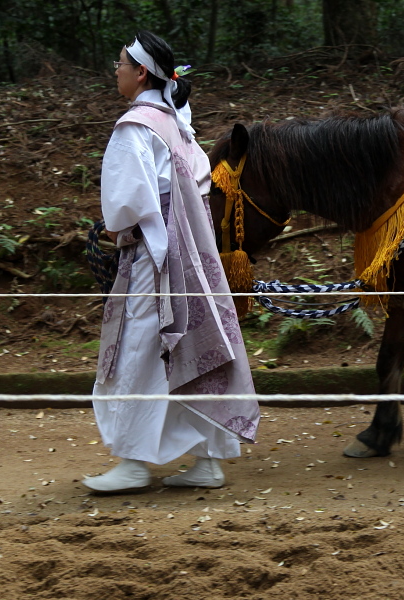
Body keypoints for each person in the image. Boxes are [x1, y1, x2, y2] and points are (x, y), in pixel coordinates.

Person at [83, 30, 260, 493]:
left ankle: (134, 462)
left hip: (152, 258)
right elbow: (199, 183)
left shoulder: (136, 128)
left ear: (141, 72)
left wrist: (112, 230)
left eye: (121, 63)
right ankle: (207, 461)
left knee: (141, 352)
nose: (116, 71)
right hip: (193, 258)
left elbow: (124, 206)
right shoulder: (178, 126)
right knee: (191, 348)